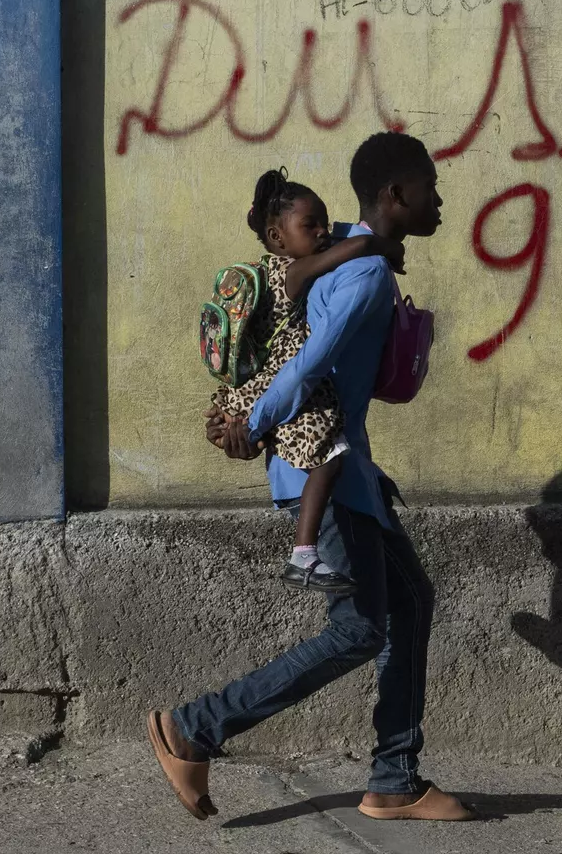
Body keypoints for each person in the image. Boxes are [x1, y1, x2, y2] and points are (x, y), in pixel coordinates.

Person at [148, 131, 470, 823]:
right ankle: (195, 727)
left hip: (349, 470)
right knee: (358, 629)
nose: (439, 200)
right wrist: (253, 423)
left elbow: (299, 288)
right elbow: (308, 366)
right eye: (430, 188)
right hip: (322, 471)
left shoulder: (341, 250)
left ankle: (394, 778)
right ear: (396, 195)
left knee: (408, 602)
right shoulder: (363, 276)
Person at [211, 167, 403, 592]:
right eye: (310, 225)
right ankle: (303, 554)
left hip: (252, 389)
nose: (323, 233)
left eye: (325, 221)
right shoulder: (290, 273)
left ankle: (304, 553)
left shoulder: (264, 272)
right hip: (280, 385)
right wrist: (379, 243)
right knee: (332, 452)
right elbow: (349, 249)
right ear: (278, 238)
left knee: (406, 601)